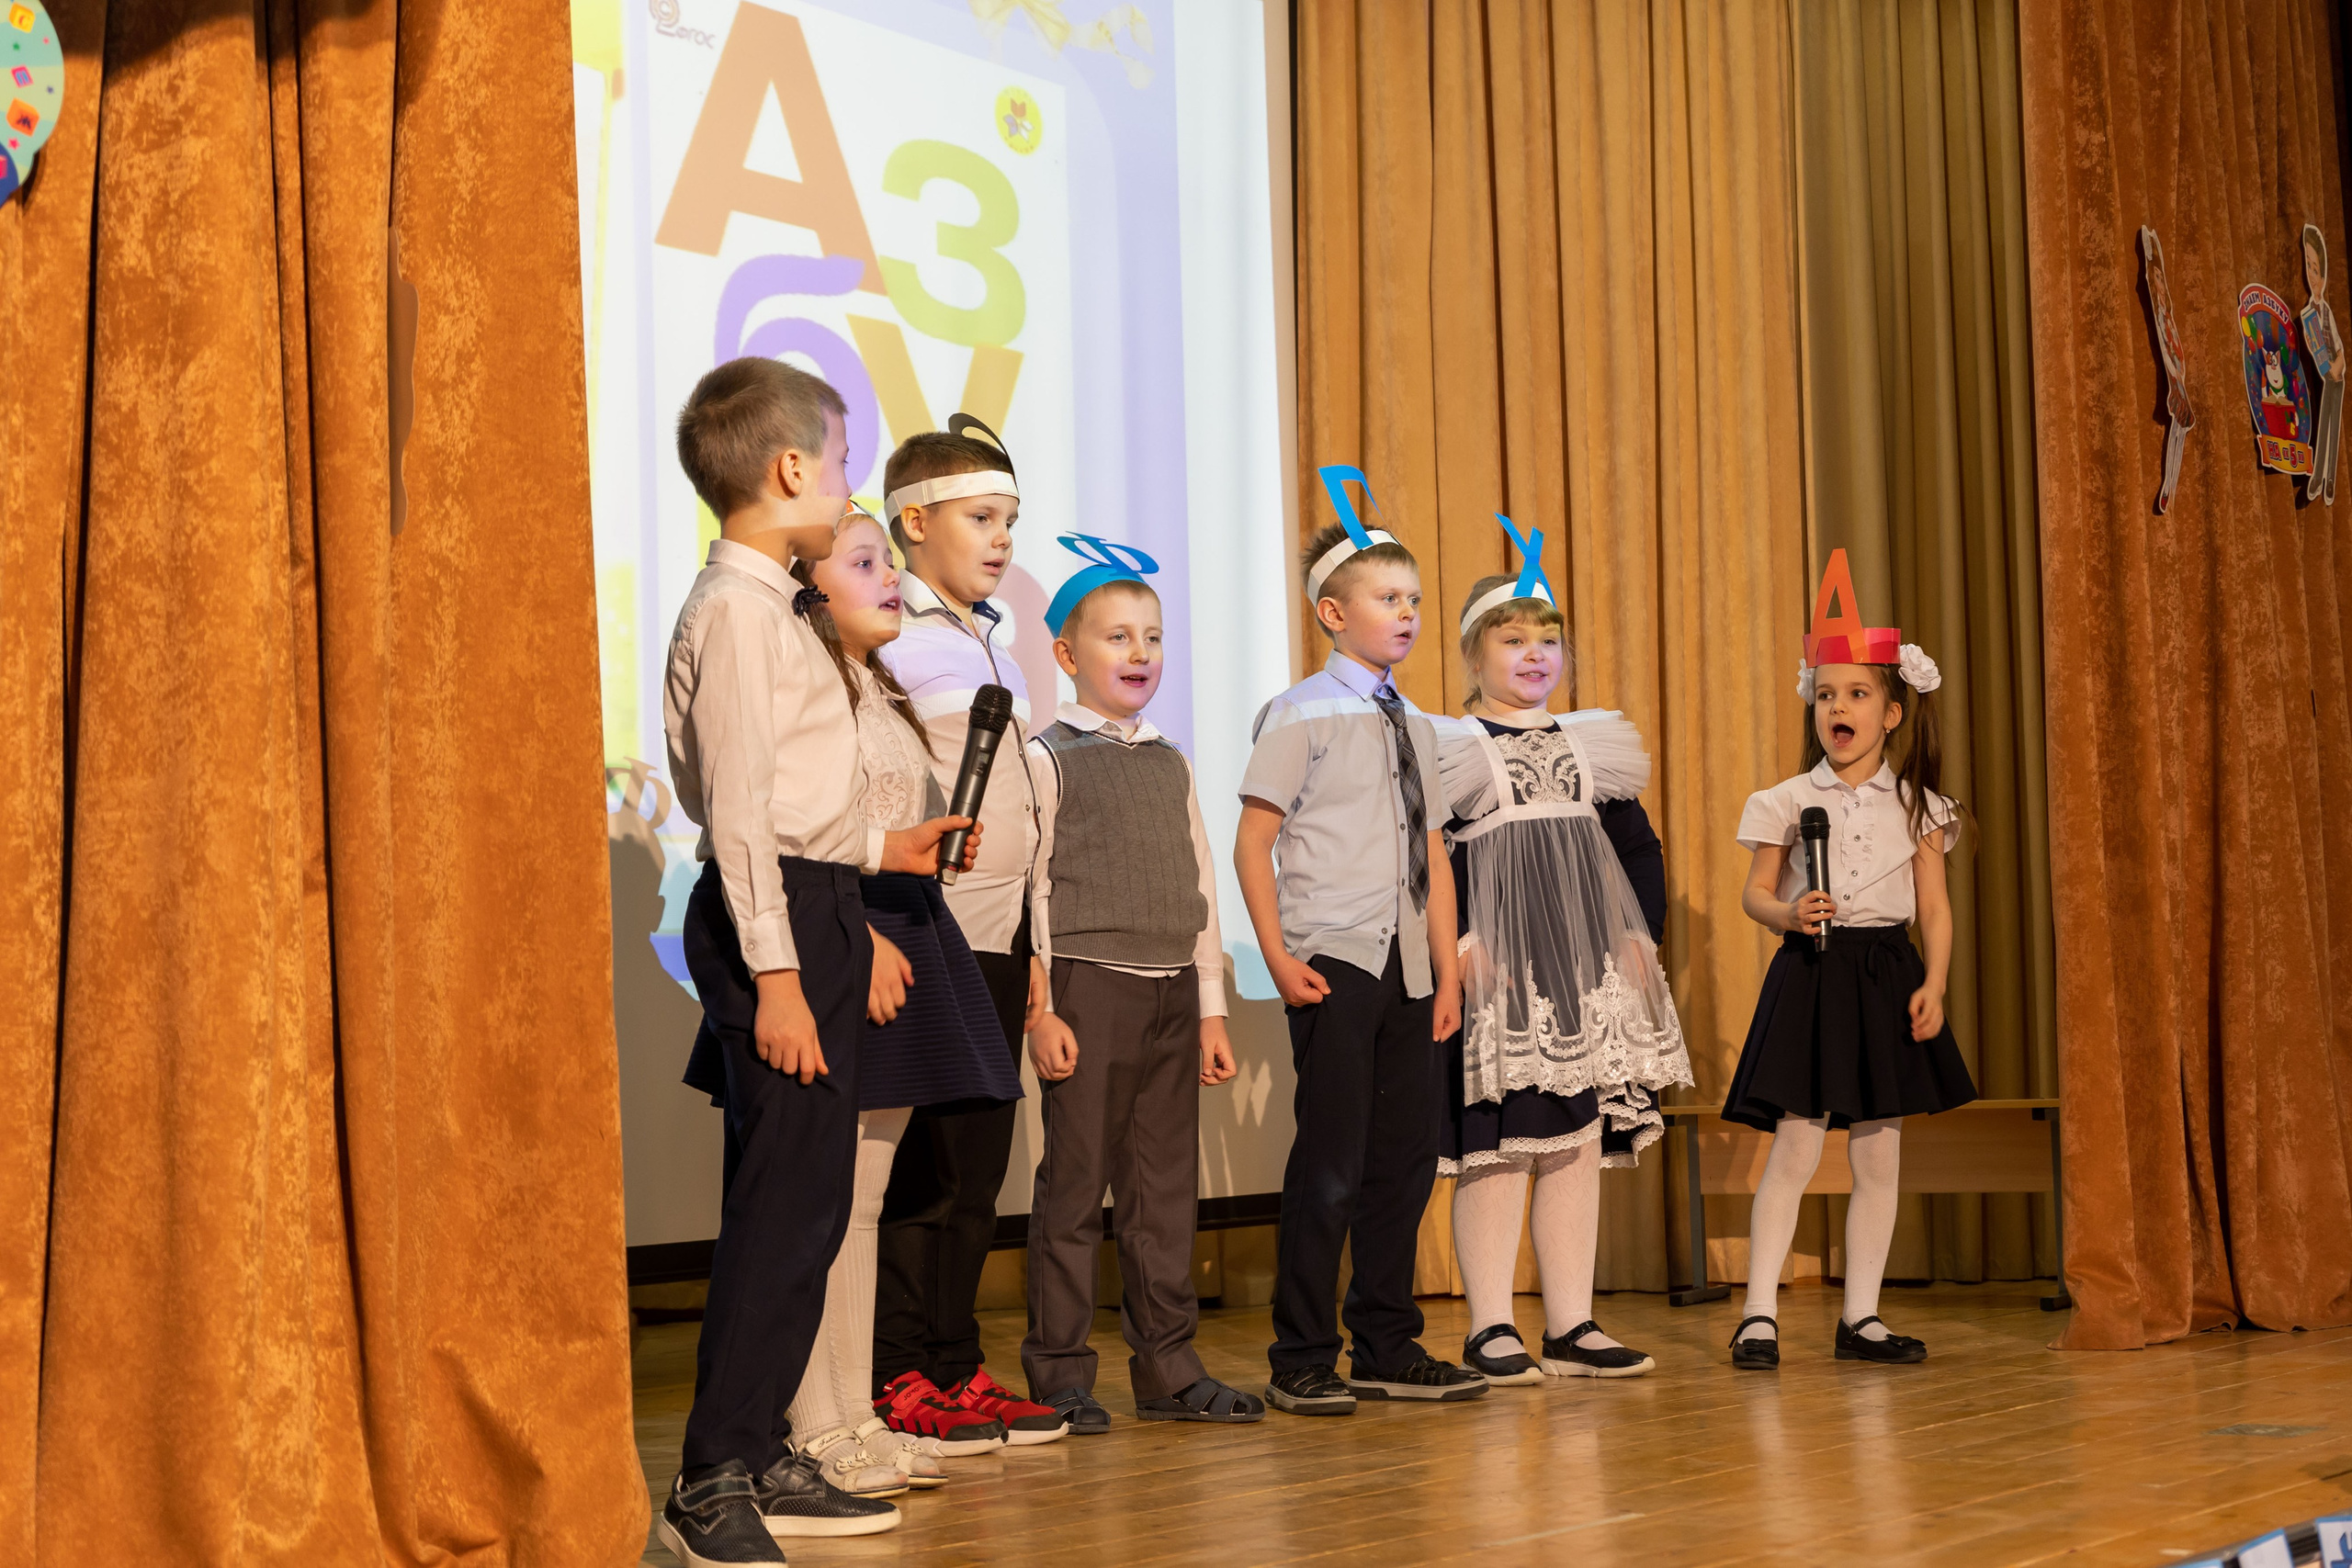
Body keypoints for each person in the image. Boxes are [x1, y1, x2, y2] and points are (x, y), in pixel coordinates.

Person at [657, 358, 978, 1567]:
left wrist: (880, 842)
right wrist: (779, 976)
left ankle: (756, 1446)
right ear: (790, 469)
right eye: (842, 461)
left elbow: (796, 793)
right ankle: (708, 1477)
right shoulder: (738, 612)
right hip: (776, 921)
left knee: (807, 1208)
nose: (846, 483)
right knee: (781, 1207)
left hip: (822, 894)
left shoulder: (778, 609)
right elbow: (738, 811)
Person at [773, 509, 1032, 1497]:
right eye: (866, 562)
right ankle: (812, 1422)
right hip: (850, 934)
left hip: (900, 924)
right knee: (828, 1200)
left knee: (867, 1197)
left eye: (889, 562)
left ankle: (852, 1413)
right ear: (808, 585)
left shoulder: (874, 685)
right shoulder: (806, 684)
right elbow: (799, 830)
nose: (889, 580)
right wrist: (860, 933)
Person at [1235, 468, 1480, 1416]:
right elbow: (1255, 839)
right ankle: (1302, 1354)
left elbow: (1433, 851)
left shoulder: (1421, 723)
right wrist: (1274, 952)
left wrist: (1446, 963)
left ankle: (1387, 1342)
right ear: (1332, 614)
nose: (1407, 613)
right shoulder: (1298, 713)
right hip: (1334, 957)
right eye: (1387, 598)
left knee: (1404, 1162)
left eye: (1414, 598)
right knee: (1330, 1162)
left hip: (1411, 967)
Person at [1430, 547, 1693, 1387]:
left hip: (1587, 971)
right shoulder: (1451, 749)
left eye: (1548, 640)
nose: (1534, 655)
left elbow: (1634, 849)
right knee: (1503, 1145)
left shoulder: (1594, 747)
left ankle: (1572, 1321)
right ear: (1474, 654)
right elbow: (1430, 855)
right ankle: (1491, 1326)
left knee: (1578, 1140)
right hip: (1504, 976)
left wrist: (1638, 935)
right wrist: (1463, 944)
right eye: (1512, 640)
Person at [1018, 539, 1263, 1431]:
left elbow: (1197, 881)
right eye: (1116, 637)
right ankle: (1059, 1373)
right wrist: (1039, 1006)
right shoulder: (1047, 757)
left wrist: (1209, 1008)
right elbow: (1031, 888)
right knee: (1076, 1189)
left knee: (1164, 1195)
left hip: (1169, 994)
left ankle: (1167, 1367)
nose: (1138, 654)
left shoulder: (1171, 760)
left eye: (1151, 637)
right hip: (1088, 987)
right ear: (1065, 655)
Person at [1724, 550, 1977, 1371]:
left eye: (1858, 694)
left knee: (1879, 1150)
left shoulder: (1921, 806)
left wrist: (1934, 981)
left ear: (1892, 713)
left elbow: (1933, 907)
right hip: (1813, 971)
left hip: (1884, 975)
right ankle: (1758, 1313)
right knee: (1795, 1146)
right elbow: (1754, 894)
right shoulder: (1785, 801)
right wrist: (1789, 913)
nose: (1840, 706)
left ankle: (1861, 1315)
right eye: (1827, 694)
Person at [870, 417, 1069, 1447]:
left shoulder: (988, 637)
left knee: (975, 1172)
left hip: (1000, 939)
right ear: (913, 521)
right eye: (982, 518)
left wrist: (1037, 956)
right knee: (924, 1169)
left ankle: (954, 1364)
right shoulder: (890, 632)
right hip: (929, 931)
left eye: (1010, 521)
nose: (1001, 539)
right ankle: (894, 1370)